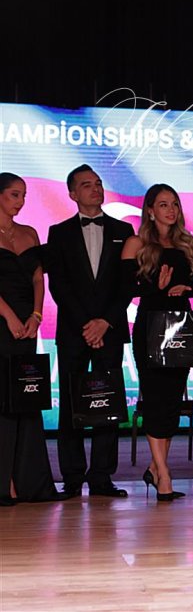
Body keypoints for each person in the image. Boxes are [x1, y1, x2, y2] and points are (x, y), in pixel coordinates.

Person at [47, 165, 134, 498]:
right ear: (72, 193)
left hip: (110, 330)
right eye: (86, 185)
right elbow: (59, 285)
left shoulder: (124, 230)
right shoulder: (59, 232)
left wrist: (105, 322)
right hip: (74, 331)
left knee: (107, 402)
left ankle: (101, 477)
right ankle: (71, 476)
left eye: (98, 183)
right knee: (71, 403)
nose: (95, 189)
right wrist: (88, 325)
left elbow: (126, 285)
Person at [122, 184, 193, 502]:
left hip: (181, 328)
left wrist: (186, 289)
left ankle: (156, 468)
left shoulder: (188, 243)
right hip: (150, 326)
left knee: (171, 400)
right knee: (155, 397)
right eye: (163, 204)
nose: (171, 210)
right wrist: (157, 286)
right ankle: (164, 474)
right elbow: (125, 286)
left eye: (175, 204)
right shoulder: (137, 243)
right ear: (150, 210)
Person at [0, 173, 68, 506]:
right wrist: (9, 317)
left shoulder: (29, 233)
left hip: (27, 326)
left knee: (25, 397)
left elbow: (38, 279)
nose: (21, 201)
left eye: (24, 195)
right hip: (2, 323)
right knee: (2, 401)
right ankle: (5, 483)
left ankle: (29, 481)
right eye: (15, 194)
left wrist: (37, 316)